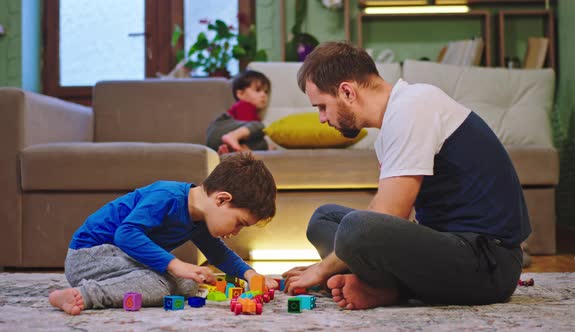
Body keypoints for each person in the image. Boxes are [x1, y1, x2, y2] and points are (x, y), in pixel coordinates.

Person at [282, 42, 530, 310]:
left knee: (356, 228)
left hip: (488, 264)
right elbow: (390, 220)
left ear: (347, 92)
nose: (321, 118)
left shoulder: (413, 107)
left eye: (321, 106)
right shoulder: (396, 118)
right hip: (450, 250)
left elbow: (388, 215)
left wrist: (322, 268)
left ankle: (386, 288)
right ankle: (384, 287)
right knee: (325, 218)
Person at [49, 152, 278, 315]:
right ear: (221, 199)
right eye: (239, 223)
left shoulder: (200, 219)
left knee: (188, 284)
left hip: (124, 261)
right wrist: (175, 264)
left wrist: (250, 275)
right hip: (90, 257)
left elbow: (219, 254)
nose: (236, 232)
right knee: (162, 280)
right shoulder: (167, 196)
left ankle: (139, 283)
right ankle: (82, 295)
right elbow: (126, 234)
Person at [206, 70, 272, 154]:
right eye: (258, 90)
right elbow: (252, 131)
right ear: (240, 94)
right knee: (260, 127)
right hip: (219, 128)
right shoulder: (245, 106)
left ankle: (230, 149)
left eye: (266, 92)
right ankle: (232, 137)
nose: (263, 95)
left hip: (216, 141)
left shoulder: (249, 110)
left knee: (262, 143)